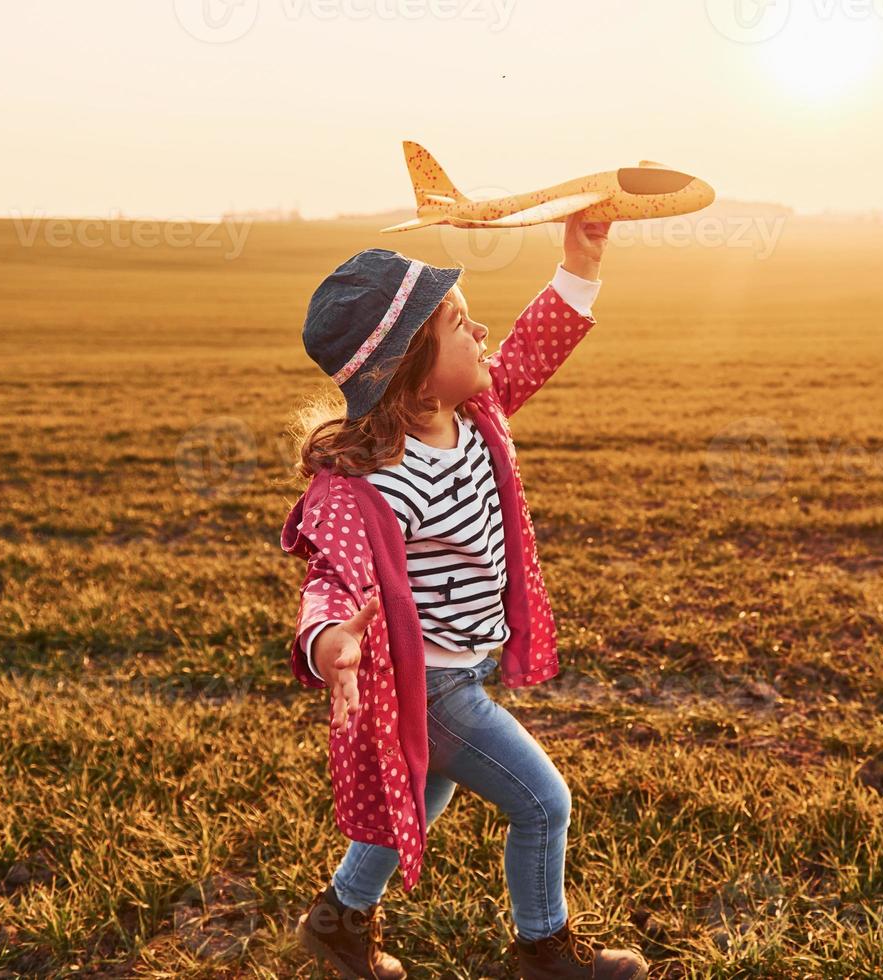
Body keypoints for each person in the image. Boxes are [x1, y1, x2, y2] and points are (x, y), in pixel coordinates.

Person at [280, 212, 648, 979]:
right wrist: (331, 641)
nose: (481, 329)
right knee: (542, 804)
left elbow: (526, 355)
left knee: (423, 797)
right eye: (457, 322)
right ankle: (543, 951)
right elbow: (331, 579)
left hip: (465, 665)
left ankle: (339, 919)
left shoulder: (472, 414)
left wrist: (579, 263)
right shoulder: (369, 480)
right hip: (433, 682)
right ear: (408, 367)